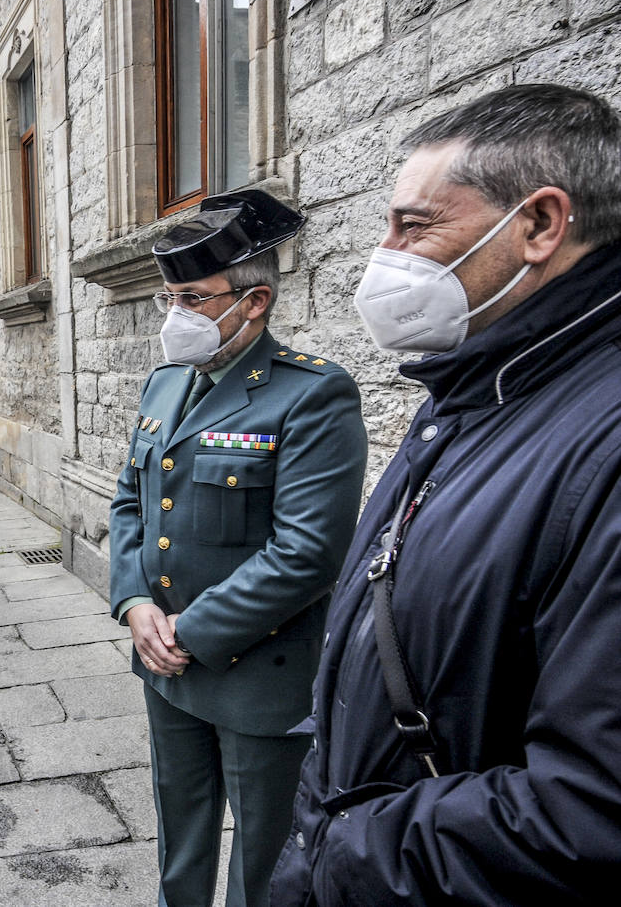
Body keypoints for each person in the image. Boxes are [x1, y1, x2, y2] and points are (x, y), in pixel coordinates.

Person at [270, 84, 621, 907]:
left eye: (414, 225)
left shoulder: (598, 432)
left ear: (539, 225)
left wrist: (341, 849)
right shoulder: (478, 383)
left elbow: (590, 811)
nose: (385, 253)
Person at [110, 189, 367, 907]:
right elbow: (132, 501)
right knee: (179, 847)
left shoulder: (311, 395)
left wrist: (186, 632)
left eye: (192, 299)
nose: (174, 318)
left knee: (263, 863)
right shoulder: (164, 386)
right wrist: (133, 603)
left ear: (253, 303)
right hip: (166, 668)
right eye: (168, 299)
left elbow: (308, 554)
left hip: (261, 676)